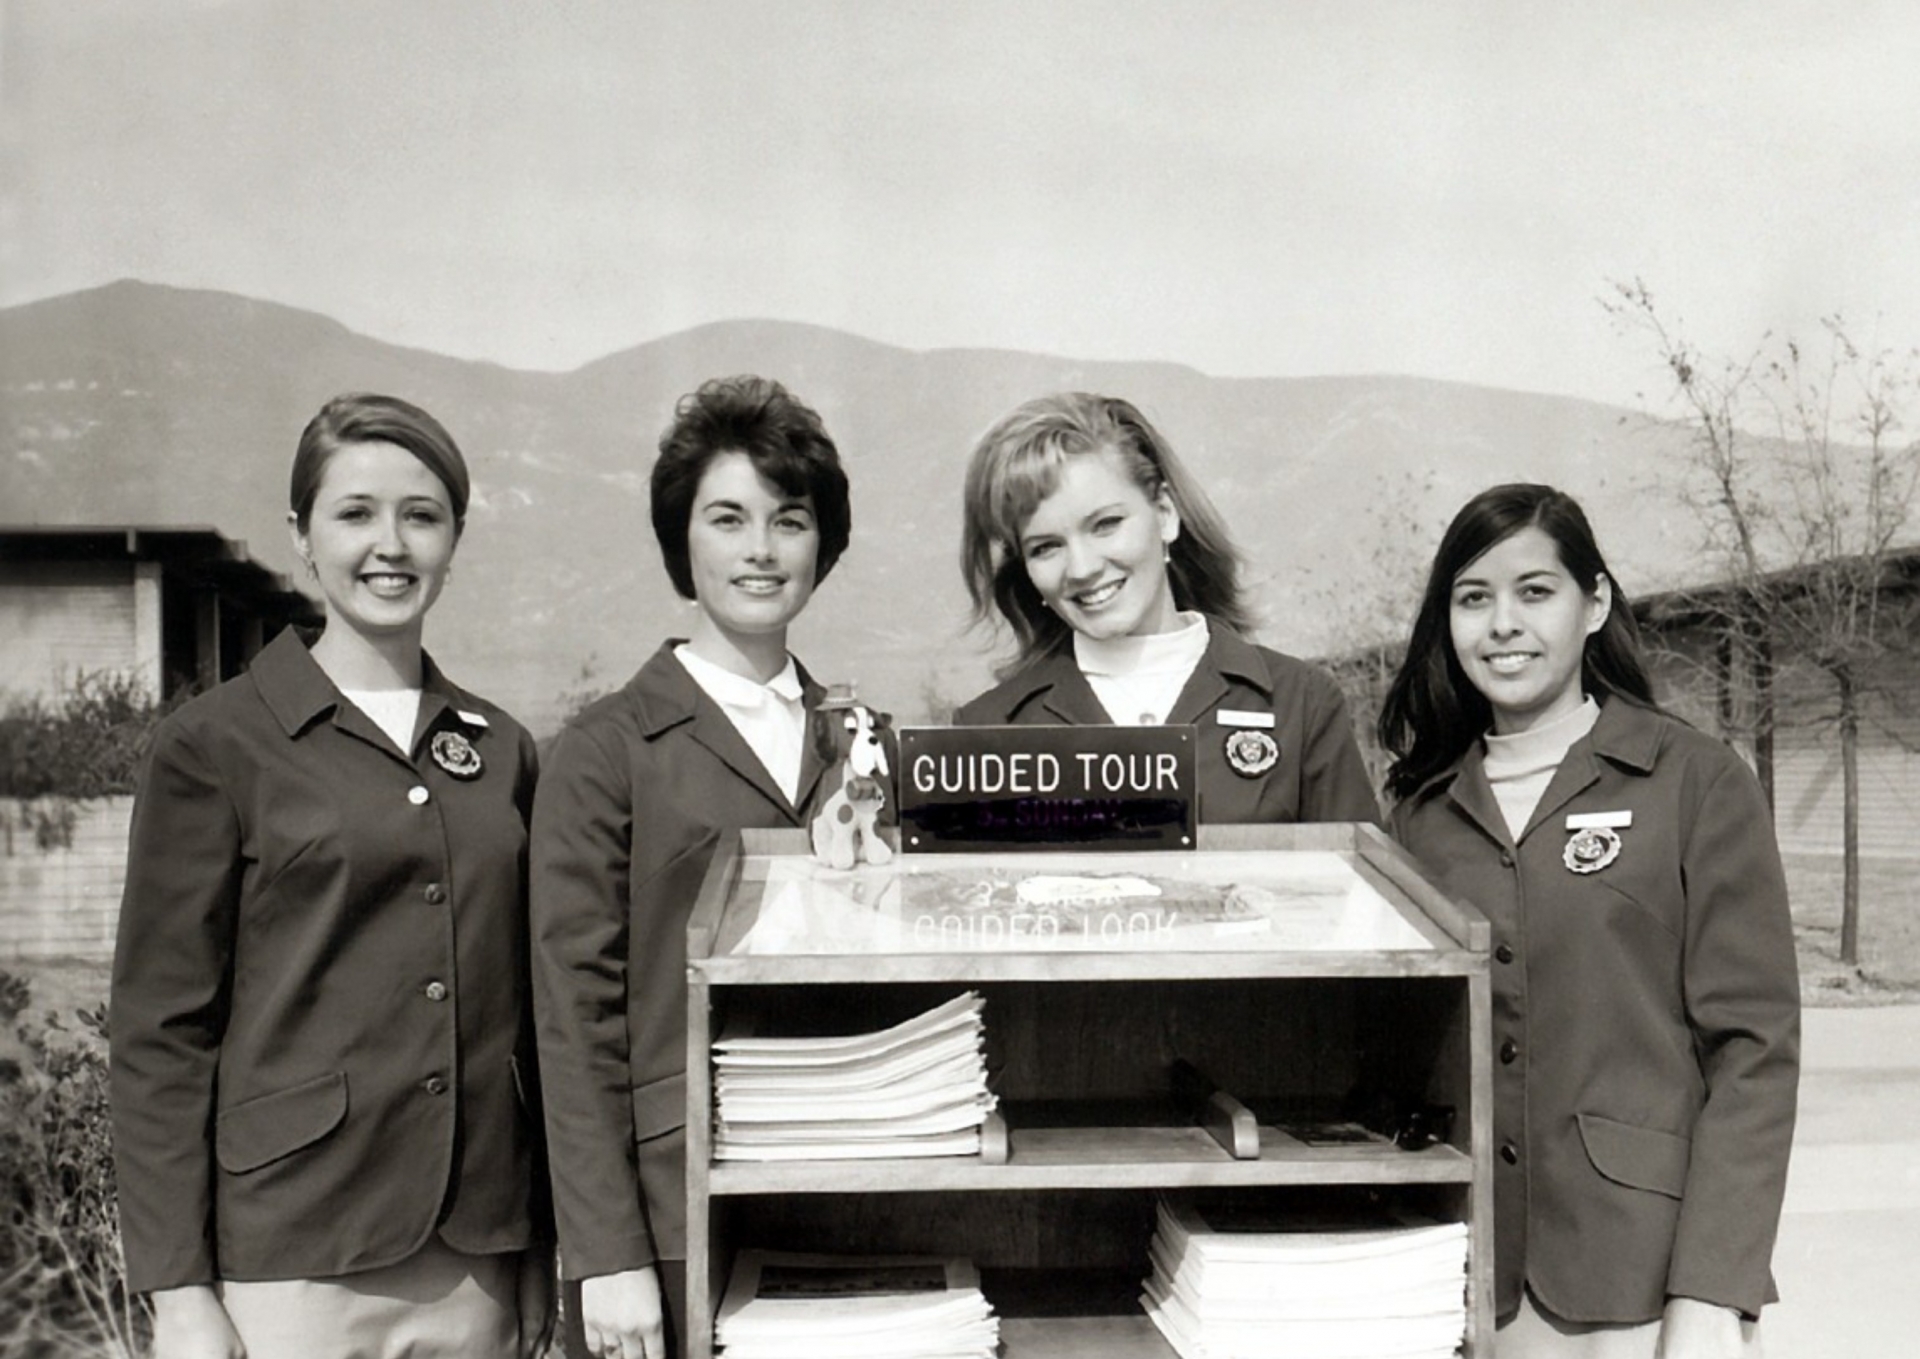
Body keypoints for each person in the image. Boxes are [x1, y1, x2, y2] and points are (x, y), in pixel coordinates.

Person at [109, 394, 552, 1359]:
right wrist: (178, 1293)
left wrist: (536, 1247)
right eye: (354, 512)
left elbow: (529, 1015)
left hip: (475, 1253)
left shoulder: (503, 748)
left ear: (454, 538)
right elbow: (160, 1033)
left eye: (421, 515)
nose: (388, 544)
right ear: (302, 534)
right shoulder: (213, 745)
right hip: (290, 1261)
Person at [1378, 483, 1799, 1358]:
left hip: (1639, 1278)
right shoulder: (1418, 815)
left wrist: (1714, 1289)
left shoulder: (1696, 783)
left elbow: (1754, 1051)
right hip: (1456, 1277)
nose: (1502, 624)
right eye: (1472, 598)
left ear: (1595, 602)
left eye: (1536, 592)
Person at [531, 375, 856, 1359]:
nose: (760, 550)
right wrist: (606, 1253)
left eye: (788, 520)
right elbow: (571, 1020)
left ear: (821, 545)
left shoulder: (864, 740)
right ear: (684, 540)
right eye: (728, 518)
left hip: (856, 1188)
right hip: (676, 1220)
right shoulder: (604, 751)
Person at [954, 391, 1378, 825]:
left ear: (1164, 514)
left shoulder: (1300, 704)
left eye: (1105, 525)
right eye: (1046, 548)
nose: (1081, 569)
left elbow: (1355, 887)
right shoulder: (985, 733)